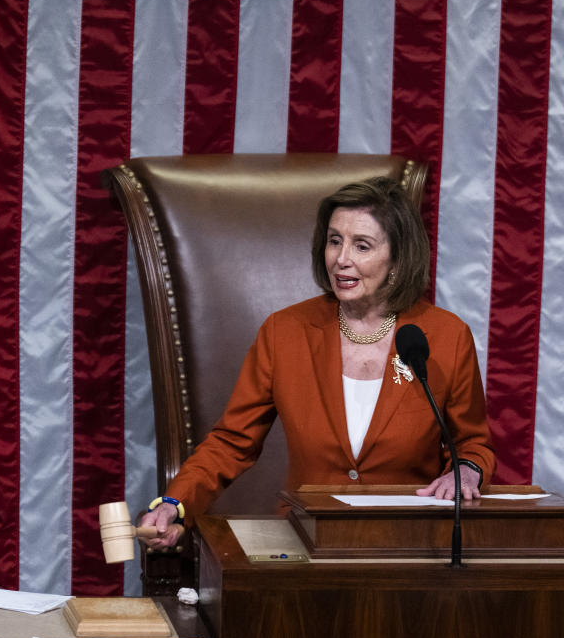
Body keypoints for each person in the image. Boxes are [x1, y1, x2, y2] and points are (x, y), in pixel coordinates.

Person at [139, 176, 495, 548]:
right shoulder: (285, 331)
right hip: (304, 545)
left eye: (362, 246)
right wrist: (174, 504)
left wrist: (466, 472)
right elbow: (231, 442)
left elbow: (472, 444)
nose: (341, 259)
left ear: (398, 258)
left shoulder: (445, 336)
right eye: (334, 240)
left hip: (408, 545)